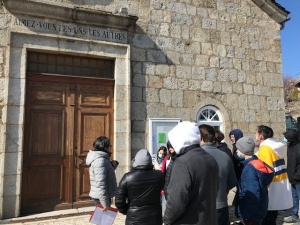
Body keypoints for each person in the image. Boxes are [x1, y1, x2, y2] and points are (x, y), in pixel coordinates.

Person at [163, 121, 219, 225]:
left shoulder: (183, 162)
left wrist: (167, 220)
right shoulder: (209, 158)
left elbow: (176, 202)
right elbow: (215, 190)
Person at [199, 124, 237, 225]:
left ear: (201, 138)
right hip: (221, 204)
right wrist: (222, 188)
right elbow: (233, 180)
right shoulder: (224, 155)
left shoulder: (195, 156)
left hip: (202, 208)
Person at [115, 149, 164, 225]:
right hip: (154, 217)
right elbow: (168, 191)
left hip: (134, 218)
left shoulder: (128, 177)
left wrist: (126, 210)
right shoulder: (159, 175)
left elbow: (119, 200)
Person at [256, 125, 293, 225]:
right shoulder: (275, 146)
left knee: (267, 215)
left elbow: (264, 170)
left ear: (261, 136)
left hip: (270, 185)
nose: (256, 134)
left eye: (257, 132)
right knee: (273, 214)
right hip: (278, 182)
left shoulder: (265, 149)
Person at [236, 136, 274, 225]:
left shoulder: (250, 168)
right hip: (259, 210)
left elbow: (252, 194)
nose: (236, 151)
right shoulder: (258, 162)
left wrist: (246, 215)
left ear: (243, 150)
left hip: (252, 215)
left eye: (238, 149)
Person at [86, 136, 117, 211]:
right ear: (105, 147)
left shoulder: (103, 159)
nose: (112, 146)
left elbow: (104, 174)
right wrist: (105, 204)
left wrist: (112, 166)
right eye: (110, 145)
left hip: (102, 196)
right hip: (101, 197)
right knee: (104, 221)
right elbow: (101, 184)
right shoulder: (100, 161)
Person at [283, 129, 300, 224]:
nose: (284, 139)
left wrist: (297, 175)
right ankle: (294, 215)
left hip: (298, 179)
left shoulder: (298, 148)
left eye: (286, 137)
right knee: (294, 197)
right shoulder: (290, 146)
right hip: (292, 178)